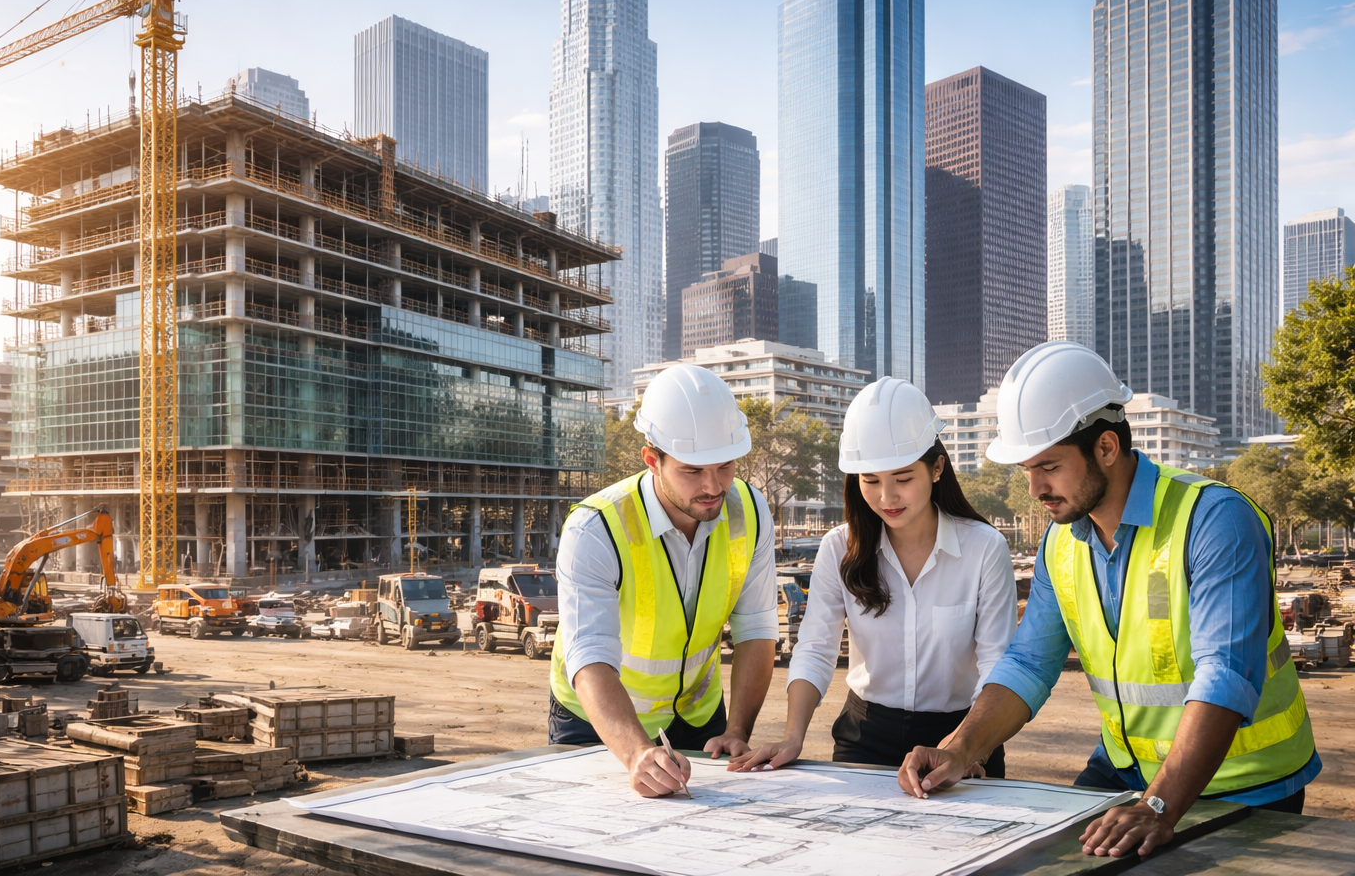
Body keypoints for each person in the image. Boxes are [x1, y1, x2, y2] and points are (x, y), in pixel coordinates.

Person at [899, 342, 1319, 859]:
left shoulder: (1214, 520)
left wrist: (1159, 806)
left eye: (1048, 466)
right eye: (1026, 469)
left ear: (1105, 447)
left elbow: (1226, 672)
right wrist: (960, 748)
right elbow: (1030, 661)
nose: (1034, 488)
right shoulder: (1063, 541)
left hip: (1246, 782)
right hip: (1128, 773)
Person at [729, 377, 1017, 774]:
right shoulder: (839, 548)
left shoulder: (984, 548)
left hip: (962, 734)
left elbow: (996, 662)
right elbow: (815, 649)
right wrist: (793, 735)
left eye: (902, 479)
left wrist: (970, 748)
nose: (886, 497)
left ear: (936, 469)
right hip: (865, 736)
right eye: (870, 480)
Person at [550, 363, 778, 797]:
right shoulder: (594, 529)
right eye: (693, 471)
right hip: (598, 719)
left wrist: (738, 728)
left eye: (726, 466)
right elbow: (590, 656)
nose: (714, 487)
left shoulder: (750, 511)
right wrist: (636, 752)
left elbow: (758, 630)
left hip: (698, 715)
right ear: (653, 460)